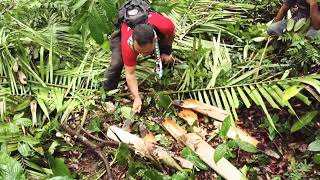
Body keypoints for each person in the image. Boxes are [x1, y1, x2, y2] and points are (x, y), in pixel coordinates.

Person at [103, 3, 175, 113]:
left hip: (152, 30)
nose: (144, 55)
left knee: (166, 56)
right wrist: (136, 97)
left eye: (146, 52)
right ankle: (108, 97)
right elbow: (130, 73)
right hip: (123, 31)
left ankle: (164, 76)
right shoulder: (129, 45)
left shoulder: (165, 26)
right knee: (117, 63)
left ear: (155, 40)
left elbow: (171, 33)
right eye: (140, 52)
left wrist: (166, 50)